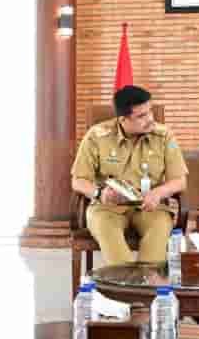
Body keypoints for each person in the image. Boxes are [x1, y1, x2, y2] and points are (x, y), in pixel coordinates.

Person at [69, 84, 188, 267]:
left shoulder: (164, 136)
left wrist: (158, 193)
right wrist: (100, 193)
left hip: (150, 205)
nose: (150, 119)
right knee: (107, 229)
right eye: (141, 116)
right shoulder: (96, 136)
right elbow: (78, 181)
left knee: (160, 227)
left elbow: (180, 181)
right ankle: (126, 280)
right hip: (108, 206)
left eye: (150, 112)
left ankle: (147, 279)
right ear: (123, 119)